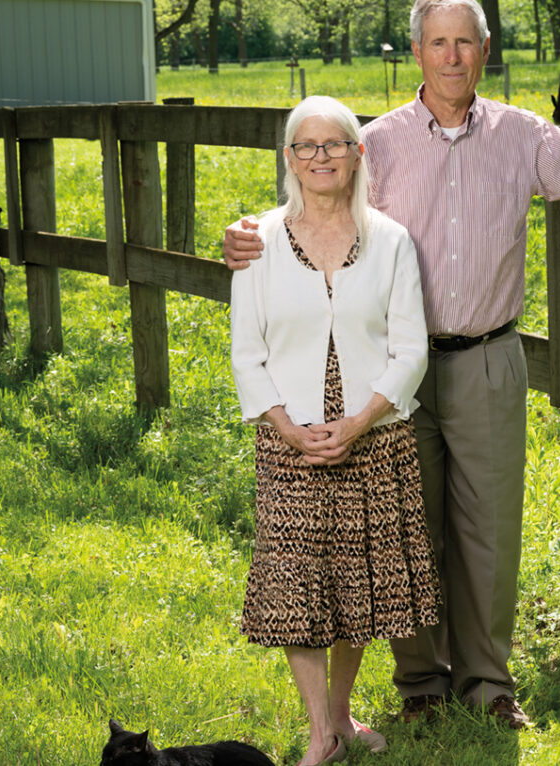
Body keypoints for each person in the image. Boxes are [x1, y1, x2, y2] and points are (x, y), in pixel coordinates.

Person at [226, 0, 560, 731]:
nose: (452, 57)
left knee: (488, 528)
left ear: (485, 51)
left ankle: (487, 682)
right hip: (392, 375)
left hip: (489, 356)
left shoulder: (522, 136)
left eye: (466, 43)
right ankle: (420, 678)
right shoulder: (376, 144)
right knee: (406, 526)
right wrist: (247, 236)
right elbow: (311, 204)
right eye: (438, 43)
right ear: (418, 52)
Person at [229, 95, 439, 766]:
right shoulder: (256, 242)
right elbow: (245, 351)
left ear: (358, 154)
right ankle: (319, 729)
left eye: (335, 144)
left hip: (372, 436)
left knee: (359, 587)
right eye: (307, 146)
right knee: (297, 588)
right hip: (289, 440)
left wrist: (358, 422)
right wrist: (288, 429)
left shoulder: (392, 241)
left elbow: (411, 349)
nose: (321, 157)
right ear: (289, 159)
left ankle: (344, 715)